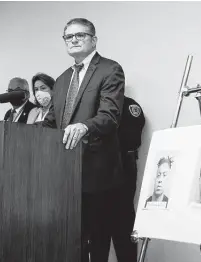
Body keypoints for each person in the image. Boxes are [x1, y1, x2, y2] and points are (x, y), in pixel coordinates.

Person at [42, 18, 125, 262]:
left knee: (97, 240)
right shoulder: (61, 80)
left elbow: (110, 116)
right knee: (70, 238)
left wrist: (84, 126)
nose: (74, 40)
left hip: (97, 172)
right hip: (64, 173)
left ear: (94, 40)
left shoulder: (110, 69)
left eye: (80, 35)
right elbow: (51, 123)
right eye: (69, 37)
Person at [111, 95, 145, 262]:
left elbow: (131, 138)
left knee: (123, 219)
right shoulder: (98, 102)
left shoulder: (130, 105)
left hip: (123, 165)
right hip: (99, 168)